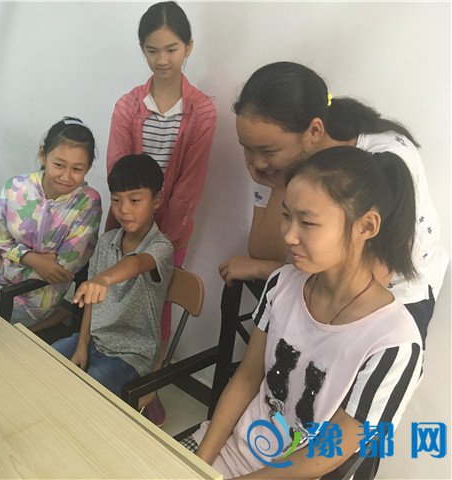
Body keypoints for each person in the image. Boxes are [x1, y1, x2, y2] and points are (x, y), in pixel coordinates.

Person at [186, 146, 423, 479]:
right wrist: (198, 463)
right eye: (286, 215)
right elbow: (248, 377)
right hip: (231, 452)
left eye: (308, 222)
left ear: (366, 226)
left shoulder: (395, 342)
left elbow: (332, 450)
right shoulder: (281, 284)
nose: (289, 235)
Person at [219, 61, 447, 345]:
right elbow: (264, 251)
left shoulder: (383, 161)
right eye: (247, 149)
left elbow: (367, 281)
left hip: (390, 300)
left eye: (267, 151)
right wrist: (280, 186)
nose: (256, 163)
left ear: (314, 131)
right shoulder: (274, 163)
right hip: (320, 286)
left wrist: (266, 271)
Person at [106, 0, 216, 424]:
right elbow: (118, 170)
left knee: (157, 309)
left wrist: (155, 243)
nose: (162, 59)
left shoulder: (201, 110)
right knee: (116, 299)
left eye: (171, 49)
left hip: (170, 232)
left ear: (188, 47)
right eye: (152, 50)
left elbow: (189, 186)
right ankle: (113, 371)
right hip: (125, 221)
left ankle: (147, 386)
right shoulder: (127, 105)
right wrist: (130, 227)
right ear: (142, 50)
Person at [52, 154, 174, 396]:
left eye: (135, 200)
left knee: (83, 392)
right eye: (116, 200)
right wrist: (82, 345)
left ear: (157, 200)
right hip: (94, 342)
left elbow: (137, 263)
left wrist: (103, 279)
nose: (124, 210)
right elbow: (91, 304)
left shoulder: (161, 247)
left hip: (130, 356)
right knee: (45, 359)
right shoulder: (106, 241)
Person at [0, 117, 102, 332]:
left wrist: (3, 265)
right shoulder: (15, 188)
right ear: (43, 154)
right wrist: (32, 259)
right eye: (59, 165)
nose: (66, 177)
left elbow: (60, 271)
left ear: (88, 167)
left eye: (77, 169)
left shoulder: (87, 203)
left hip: (33, 299)